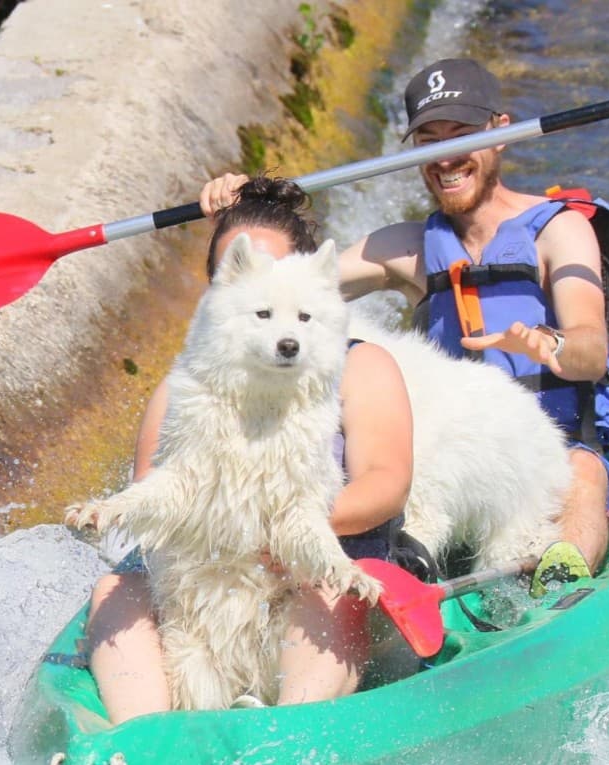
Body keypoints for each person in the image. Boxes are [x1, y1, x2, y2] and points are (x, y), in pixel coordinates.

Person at [201, 58, 609, 595]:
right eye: (429, 140)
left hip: (552, 441)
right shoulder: (405, 247)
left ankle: (560, 590)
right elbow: (283, 285)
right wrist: (239, 215)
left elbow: (593, 350)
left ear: (501, 131)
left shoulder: (558, 233)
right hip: (446, 440)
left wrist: (547, 342)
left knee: (584, 478)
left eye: (460, 135)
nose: (445, 157)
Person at [77, 178, 413, 723]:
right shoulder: (182, 386)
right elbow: (151, 504)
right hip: (209, 597)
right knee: (116, 587)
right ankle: (145, 742)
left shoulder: (362, 367)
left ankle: (287, 733)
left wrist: (284, 531)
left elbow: (386, 481)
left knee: (326, 591)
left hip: (312, 580)